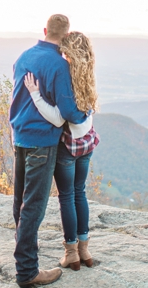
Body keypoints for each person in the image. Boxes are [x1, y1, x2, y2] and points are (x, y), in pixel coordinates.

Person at [9, 14, 88, 288]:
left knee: (20, 202)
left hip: (19, 136)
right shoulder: (58, 65)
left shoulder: (24, 57)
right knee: (34, 206)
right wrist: (85, 112)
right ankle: (28, 271)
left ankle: (23, 262)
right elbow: (69, 112)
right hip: (42, 141)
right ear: (66, 36)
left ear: (45, 30)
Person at [24, 31, 100, 270]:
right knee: (80, 193)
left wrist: (35, 95)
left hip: (68, 146)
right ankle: (85, 250)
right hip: (86, 143)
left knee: (67, 196)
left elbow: (59, 118)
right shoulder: (87, 75)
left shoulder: (67, 77)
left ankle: (71, 253)